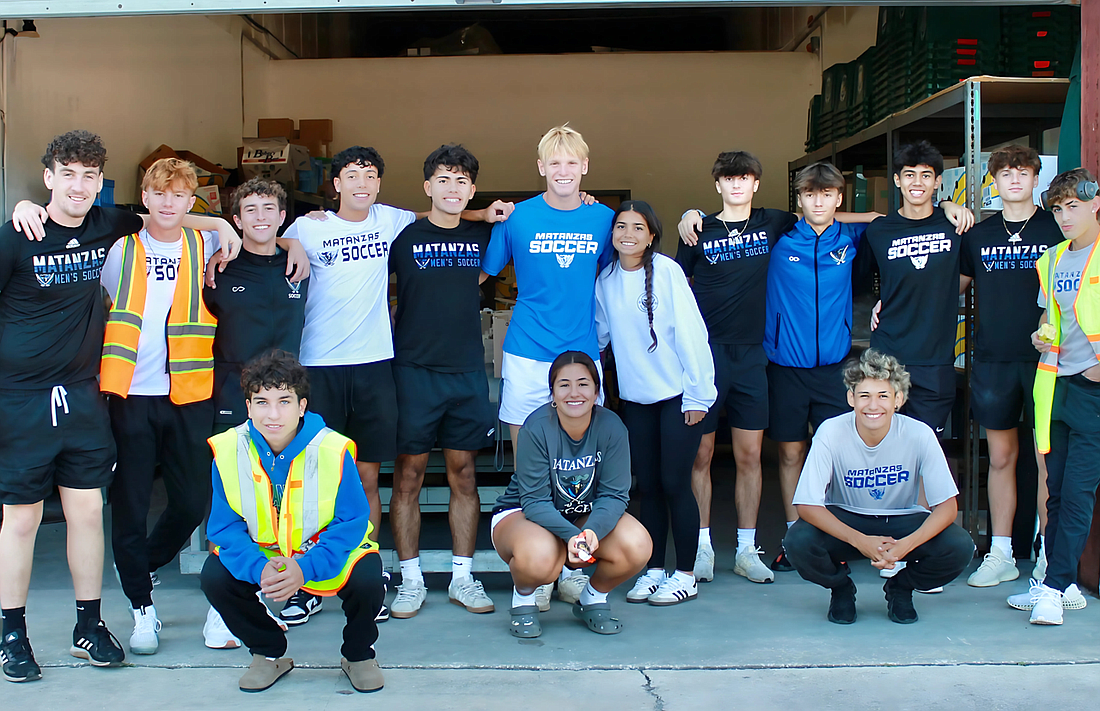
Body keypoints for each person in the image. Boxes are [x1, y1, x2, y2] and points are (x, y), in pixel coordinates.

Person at [276, 145, 506, 626]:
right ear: (336, 182)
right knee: (340, 477)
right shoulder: (319, 227)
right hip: (351, 367)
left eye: (371, 175)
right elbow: (261, 235)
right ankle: (343, 579)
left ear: (381, 184)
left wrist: (486, 211)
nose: (362, 182)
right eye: (352, 175)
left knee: (399, 475)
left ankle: (430, 575)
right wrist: (288, 241)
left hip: (403, 367)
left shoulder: (406, 223)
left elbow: (467, 212)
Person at [0, 130, 138, 681]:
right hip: (20, 401)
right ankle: (11, 633)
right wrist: (21, 208)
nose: (79, 186)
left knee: (86, 513)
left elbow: (166, 215)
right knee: (21, 521)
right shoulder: (15, 236)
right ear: (49, 177)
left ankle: (89, 625)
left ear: (100, 184)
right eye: (69, 174)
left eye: (90, 176)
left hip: (82, 397)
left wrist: (220, 224)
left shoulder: (107, 224)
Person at [480, 125, 615, 607]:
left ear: (584, 168)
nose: (563, 171)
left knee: (582, 466)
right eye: (553, 163)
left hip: (580, 352)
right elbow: (481, 270)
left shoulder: (604, 219)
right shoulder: (517, 218)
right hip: (527, 350)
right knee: (529, 467)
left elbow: (622, 269)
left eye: (571, 163)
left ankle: (574, 563)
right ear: (541, 168)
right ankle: (539, 568)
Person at [95, 157, 226, 655]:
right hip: (129, 393)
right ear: (144, 198)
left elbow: (261, 236)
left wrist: (291, 238)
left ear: (190, 201)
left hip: (188, 393)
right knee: (127, 503)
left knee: (193, 500)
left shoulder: (206, 242)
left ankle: (143, 561)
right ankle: (140, 606)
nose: (169, 203)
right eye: (159, 194)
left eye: (179, 195)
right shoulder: (118, 248)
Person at [201, 351, 386, 693]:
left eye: (284, 401)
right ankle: (268, 653)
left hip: (321, 551)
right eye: (262, 402)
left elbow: (353, 521)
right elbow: (224, 528)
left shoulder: (332, 448)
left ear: (301, 406)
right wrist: (259, 568)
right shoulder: (228, 450)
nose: (273, 414)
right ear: (248, 407)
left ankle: (359, 655)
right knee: (214, 575)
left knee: (369, 576)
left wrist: (306, 567)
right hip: (265, 554)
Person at [783, 349, 974, 625]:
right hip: (848, 517)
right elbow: (807, 504)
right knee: (797, 542)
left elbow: (947, 507)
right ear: (851, 398)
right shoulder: (831, 431)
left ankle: (901, 588)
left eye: (883, 396)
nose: (873, 406)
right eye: (864, 396)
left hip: (902, 518)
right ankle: (841, 589)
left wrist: (906, 546)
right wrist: (860, 540)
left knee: (959, 546)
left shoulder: (919, 434)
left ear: (899, 399)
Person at [387, 145, 497, 619]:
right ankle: (409, 580)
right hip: (413, 371)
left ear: (471, 189)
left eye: (462, 182)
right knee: (408, 476)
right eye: (443, 180)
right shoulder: (401, 235)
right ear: (428, 186)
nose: (452, 189)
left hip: (467, 373)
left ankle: (462, 577)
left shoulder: (485, 233)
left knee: (464, 475)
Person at [200, 177, 309, 648]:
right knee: (232, 501)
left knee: (282, 501)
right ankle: (220, 610)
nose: (261, 217)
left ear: (282, 216)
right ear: (236, 218)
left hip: (287, 401)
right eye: (251, 210)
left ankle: (269, 593)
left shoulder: (298, 265)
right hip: (231, 393)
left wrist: (293, 244)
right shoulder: (217, 266)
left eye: (270, 208)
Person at [594, 201, 715, 605]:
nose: (628, 234)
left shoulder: (666, 271)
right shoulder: (606, 280)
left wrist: (699, 394)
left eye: (638, 227)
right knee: (646, 487)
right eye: (621, 227)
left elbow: (693, 334)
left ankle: (685, 573)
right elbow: (599, 337)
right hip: (636, 401)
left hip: (679, 398)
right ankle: (652, 569)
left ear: (650, 236)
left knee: (675, 483)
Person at [490, 351, 651, 637]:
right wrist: (573, 537)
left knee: (637, 544)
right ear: (552, 392)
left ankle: (593, 598)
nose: (574, 393)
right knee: (541, 557)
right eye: (564, 384)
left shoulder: (612, 427)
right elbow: (534, 501)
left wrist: (590, 531)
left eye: (583, 384)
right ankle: (524, 599)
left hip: (581, 515)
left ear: (597, 391)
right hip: (524, 514)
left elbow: (615, 495)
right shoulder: (536, 428)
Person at [762, 162, 869, 573]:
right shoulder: (779, 235)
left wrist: (951, 206)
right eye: (809, 194)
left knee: (836, 456)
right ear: (799, 199)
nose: (818, 201)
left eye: (826, 194)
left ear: (839, 198)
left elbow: (886, 219)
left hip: (834, 368)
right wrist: (691, 217)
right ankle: (794, 538)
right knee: (791, 452)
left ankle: (835, 537)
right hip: (786, 365)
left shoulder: (854, 237)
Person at [958, 146, 1055, 588]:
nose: (1014, 179)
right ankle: (1001, 553)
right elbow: (949, 289)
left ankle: (1049, 554)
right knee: (1000, 457)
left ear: (1036, 178)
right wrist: (888, 300)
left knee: (1046, 460)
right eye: (1005, 173)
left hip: (1047, 360)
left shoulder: (1056, 227)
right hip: (994, 359)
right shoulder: (978, 234)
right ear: (993, 182)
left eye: (1022, 172)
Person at [1010, 168, 1100, 625]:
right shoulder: (1051, 260)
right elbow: (1051, 320)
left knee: (1080, 491)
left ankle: (1055, 586)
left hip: (1094, 390)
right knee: (1059, 492)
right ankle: (1056, 583)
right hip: (1057, 384)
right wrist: (1040, 337)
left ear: (1095, 203)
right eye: (1059, 208)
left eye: (1074, 206)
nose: (1066, 216)